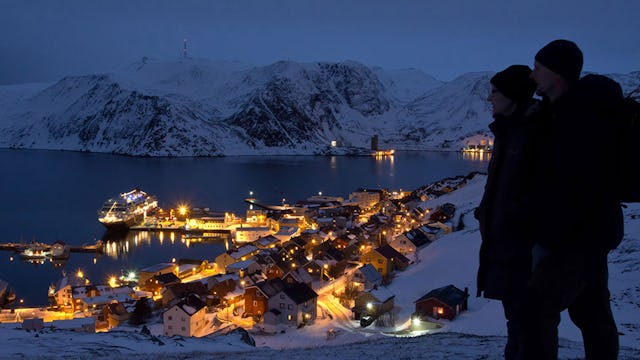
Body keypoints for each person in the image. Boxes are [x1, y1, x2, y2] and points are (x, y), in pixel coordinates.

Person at [525, 39, 622, 359]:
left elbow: (576, 184)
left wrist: (551, 236)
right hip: (590, 234)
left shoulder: (579, 119)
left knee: (537, 310)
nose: (532, 75)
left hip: (573, 238)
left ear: (557, 73)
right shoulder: (558, 113)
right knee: (592, 314)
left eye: (538, 68)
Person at [475, 64, 538, 360]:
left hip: (522, 251)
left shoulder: (531, 132)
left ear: (512, 95)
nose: (490, 99)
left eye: (495, 92)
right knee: (518, 325)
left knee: (529, 326)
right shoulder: (508, 131)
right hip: (505, 248)